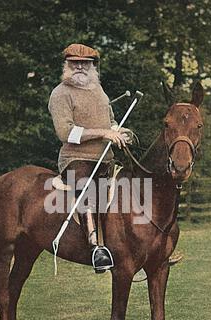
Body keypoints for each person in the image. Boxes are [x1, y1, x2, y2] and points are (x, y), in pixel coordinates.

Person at [48, 43, 132, 273]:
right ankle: (96, 248)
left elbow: (111, 122)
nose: (80, 67)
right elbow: (66, 133)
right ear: (67, 64)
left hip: (106, 158)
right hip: (76, 158)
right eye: (75, 63)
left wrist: (119, 132)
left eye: (85, 63)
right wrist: (104, 133)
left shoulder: (99, 90)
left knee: (133, 188)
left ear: (92, 65)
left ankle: (137, 246)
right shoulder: (60, 94)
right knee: (87, 188)